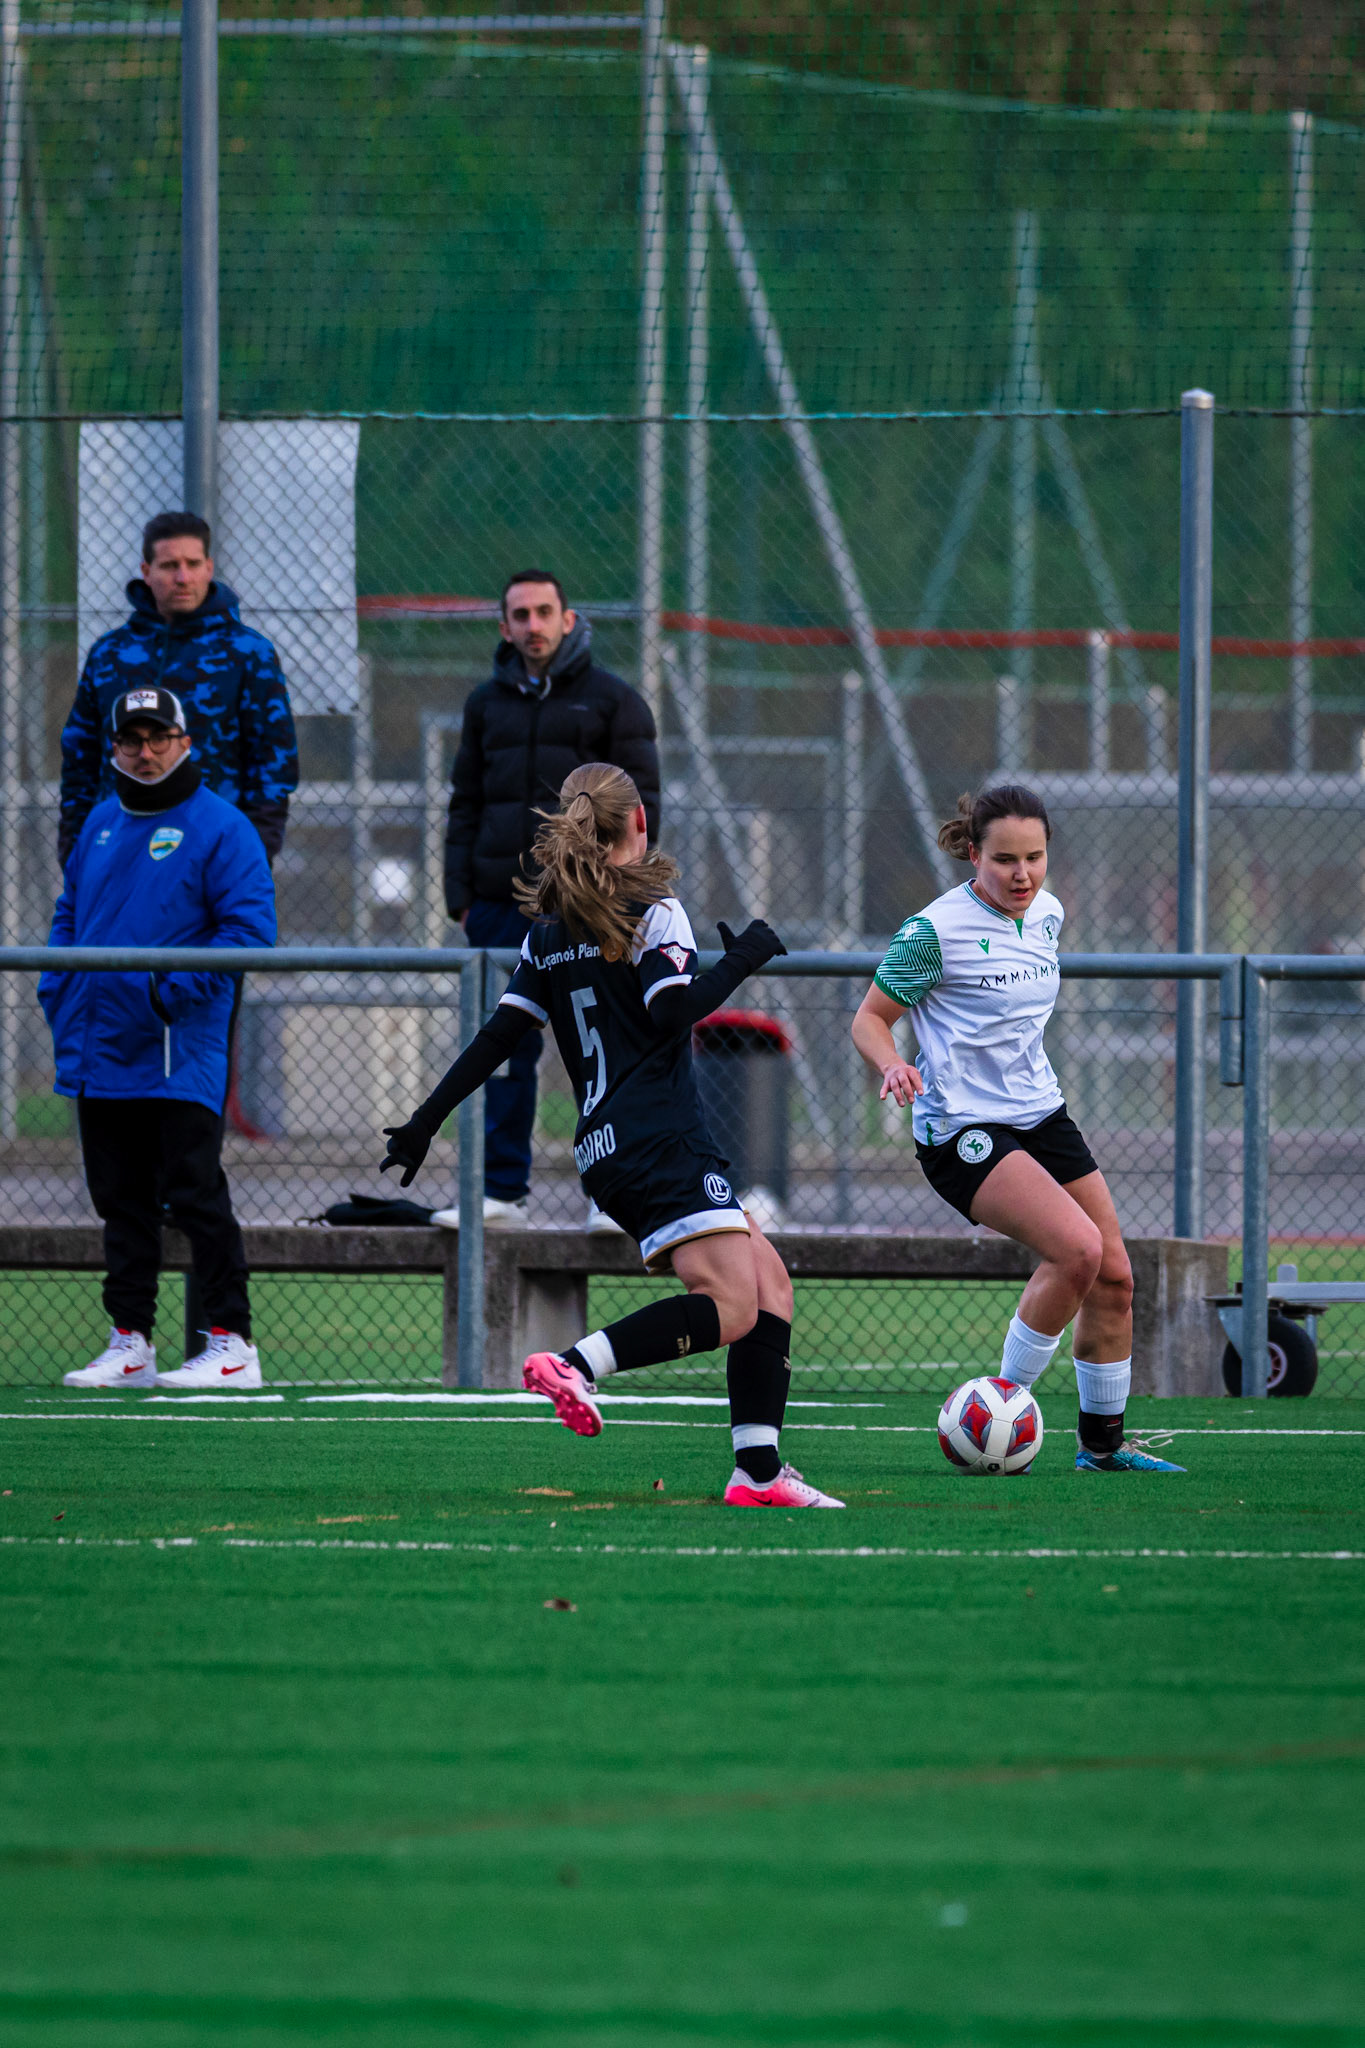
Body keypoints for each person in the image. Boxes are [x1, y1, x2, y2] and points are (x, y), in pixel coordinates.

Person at [385, 762, 842, 1508]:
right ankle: (576, 1364)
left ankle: (757, 1473)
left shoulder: (547, 932)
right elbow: (672, 1012)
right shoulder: (652, 908)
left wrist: (423, 1121)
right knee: (730, 1305)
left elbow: (499, 1037)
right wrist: (745, 959)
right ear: (638, 823)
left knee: (769, 1284)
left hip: (604, 1149)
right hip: (659, 1137)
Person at [850, 783, 1183, 1474]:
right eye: (1004, 859)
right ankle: (997, 1417)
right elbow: (869, 1018)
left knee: (1115, 1277)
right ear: (973, 854)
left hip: (1041, 1115)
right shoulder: (932, 932)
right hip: (961, 1130)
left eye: (1034, 857)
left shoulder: (1047, 914)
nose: (1022, 874)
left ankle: (1102, 1449)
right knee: (1075, 1251)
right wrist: (891, 1066)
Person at [40, 687, 278, 1390]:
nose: (144, 752)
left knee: (195, 1192)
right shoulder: (101, 824)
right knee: (119, 1200)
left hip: (178, 1052)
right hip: (99, 1049)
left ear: (184, 740)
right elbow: (68, 913)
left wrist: (163, 994)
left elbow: (247, 934)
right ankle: (130, 1342)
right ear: (113, 747)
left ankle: (232, 1345)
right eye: (130, 739)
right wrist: (58, 988)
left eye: (158, 737)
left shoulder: (221, 827)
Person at [441, 571, 660, 1228]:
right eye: (519, 615)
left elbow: (642, 808)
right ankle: (501, 1192)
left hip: (591, 907)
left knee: (605, 1049)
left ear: (568, 620)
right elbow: (465, 803)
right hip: (500, 908)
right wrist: (463, 898)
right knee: (505, 1050)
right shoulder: (485, 705)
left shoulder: (612, 702)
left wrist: (622, 895)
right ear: (503, 626)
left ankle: (609, 1196)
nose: (532, 625)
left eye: (543, 612)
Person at [59, 511, 298, 868]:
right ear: (146, 571)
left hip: (212, 853)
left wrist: (253, 854)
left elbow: (274, 761)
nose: (183, 577)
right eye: (170, 565)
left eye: (193, 563)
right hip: (120, 851)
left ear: (209, 568)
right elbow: (81, 756)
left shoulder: (248, 653)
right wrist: (75, 851)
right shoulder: (110, 654)